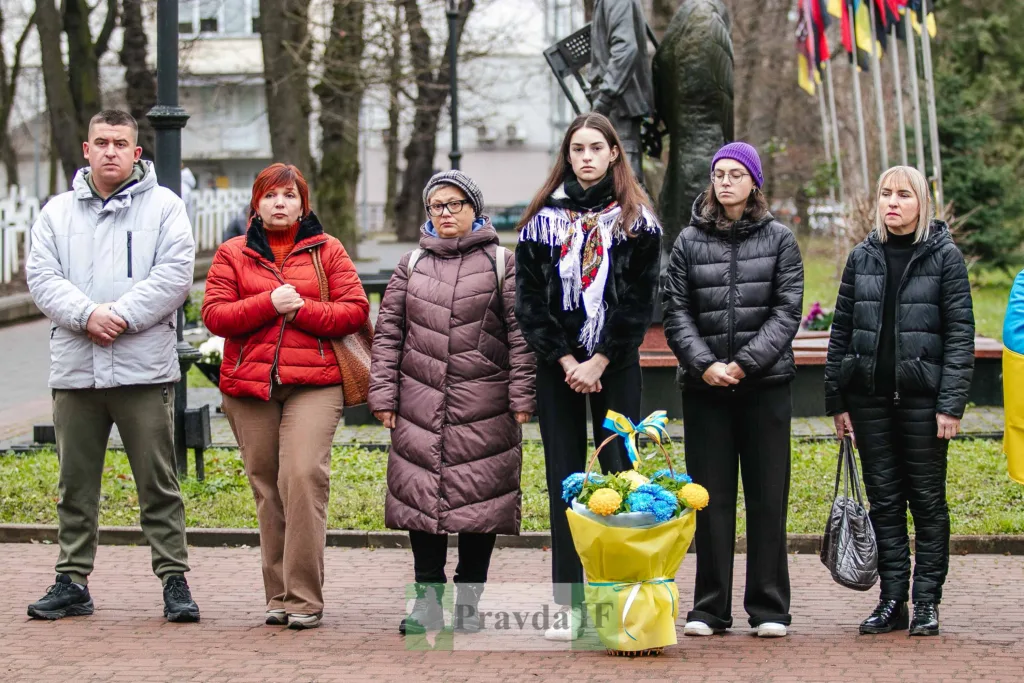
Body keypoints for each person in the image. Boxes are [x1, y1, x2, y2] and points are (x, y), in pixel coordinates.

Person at [24, 109, 200, 622]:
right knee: (75, 483)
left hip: (143, 370)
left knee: (158, 481)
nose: (110, 151)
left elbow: (174, 277)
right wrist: (87, 315)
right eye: (101, 142)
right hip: (77, 370)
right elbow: (41, 275)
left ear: (136, 151)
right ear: (86, 149)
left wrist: (117, 316)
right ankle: (72, 579)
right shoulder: (56, 212)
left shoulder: (165, 207)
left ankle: (174, 579)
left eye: (120, 143)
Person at [202, 163, 370, 630]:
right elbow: (215, 314)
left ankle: (303, 598)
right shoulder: (233, 253)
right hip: (250, 387)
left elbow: (355, 311)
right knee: (267, 487)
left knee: (301, 476)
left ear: (303, 203)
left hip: (315, 383)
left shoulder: (328, 249)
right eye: (271, 195)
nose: (281, 203)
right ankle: (276, 595)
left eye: (290, 196)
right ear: (256, 203)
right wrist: (267, 304)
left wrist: (302, 311)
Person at [368, 170, 536, 635]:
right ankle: (426, 602)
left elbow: (521, 335)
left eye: (454, 204)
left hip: (485, 401)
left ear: (474, 209)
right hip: (420, 402)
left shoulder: (504, 262)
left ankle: (468, 602)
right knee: (419, 500)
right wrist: (383, 394)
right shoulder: (411, 264)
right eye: (436, 206)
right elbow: (388, 336)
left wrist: (523, 394)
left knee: (480, 503)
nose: (445, 213)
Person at [515, 112, 661, 640]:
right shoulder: (542, 220)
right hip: (559, 369)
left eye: (596, 147)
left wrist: (599, 359)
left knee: (622, 476)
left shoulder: (637, 220)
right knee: (565, 480)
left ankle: (622, 601)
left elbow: (640, 302)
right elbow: (529, 303)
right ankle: (568, 602)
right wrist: (566, 360)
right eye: (577, 148)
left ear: (614, 154)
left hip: (615, 366)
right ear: (567, 154)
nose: (586, 157)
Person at [825, 165, 974, 637]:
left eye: (903, 195)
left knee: (928, 503)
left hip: (923, 403)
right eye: (886, 193)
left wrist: (950, 404)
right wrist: (837, 401)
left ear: (921, 202)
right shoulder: (861, 257)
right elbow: (841, 331)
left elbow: (959, 336)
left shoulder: (945, 258)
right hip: (868, 402)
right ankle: (893, 602)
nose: (892, 202)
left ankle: (926, 602)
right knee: (885, 504)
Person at [662, 141, 804, 639]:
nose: (725, 182)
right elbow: (675, 312)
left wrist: (743, 364)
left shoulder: (781, 239)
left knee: (768, 498)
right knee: (711, 499)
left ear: (753, 182)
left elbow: (787, 311)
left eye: (735, 174)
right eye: (718, 174)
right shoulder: (687, 242)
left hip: (764, 387)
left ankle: (769, 608)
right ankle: (709, 607)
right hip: (705, 391)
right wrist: (704, 365)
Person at [589, 0, 656, 182]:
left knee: (625, 180)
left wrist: (604, 99)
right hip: (617, 102)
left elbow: (625, 49)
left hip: (619, 105)